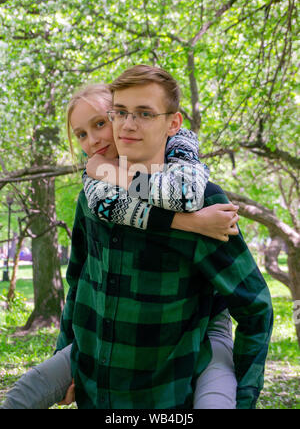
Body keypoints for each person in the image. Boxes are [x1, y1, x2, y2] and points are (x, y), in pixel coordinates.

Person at [1, 66, 273, 409]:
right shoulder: (94, 196)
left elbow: (254, 307)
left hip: (167, 388)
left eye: (144, 114)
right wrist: (66, 356)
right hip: (97, 380)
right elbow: (80, 281)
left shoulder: (201, 198)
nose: (126, 126)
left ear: (172, 123)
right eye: (120, 114)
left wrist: (244, 396)